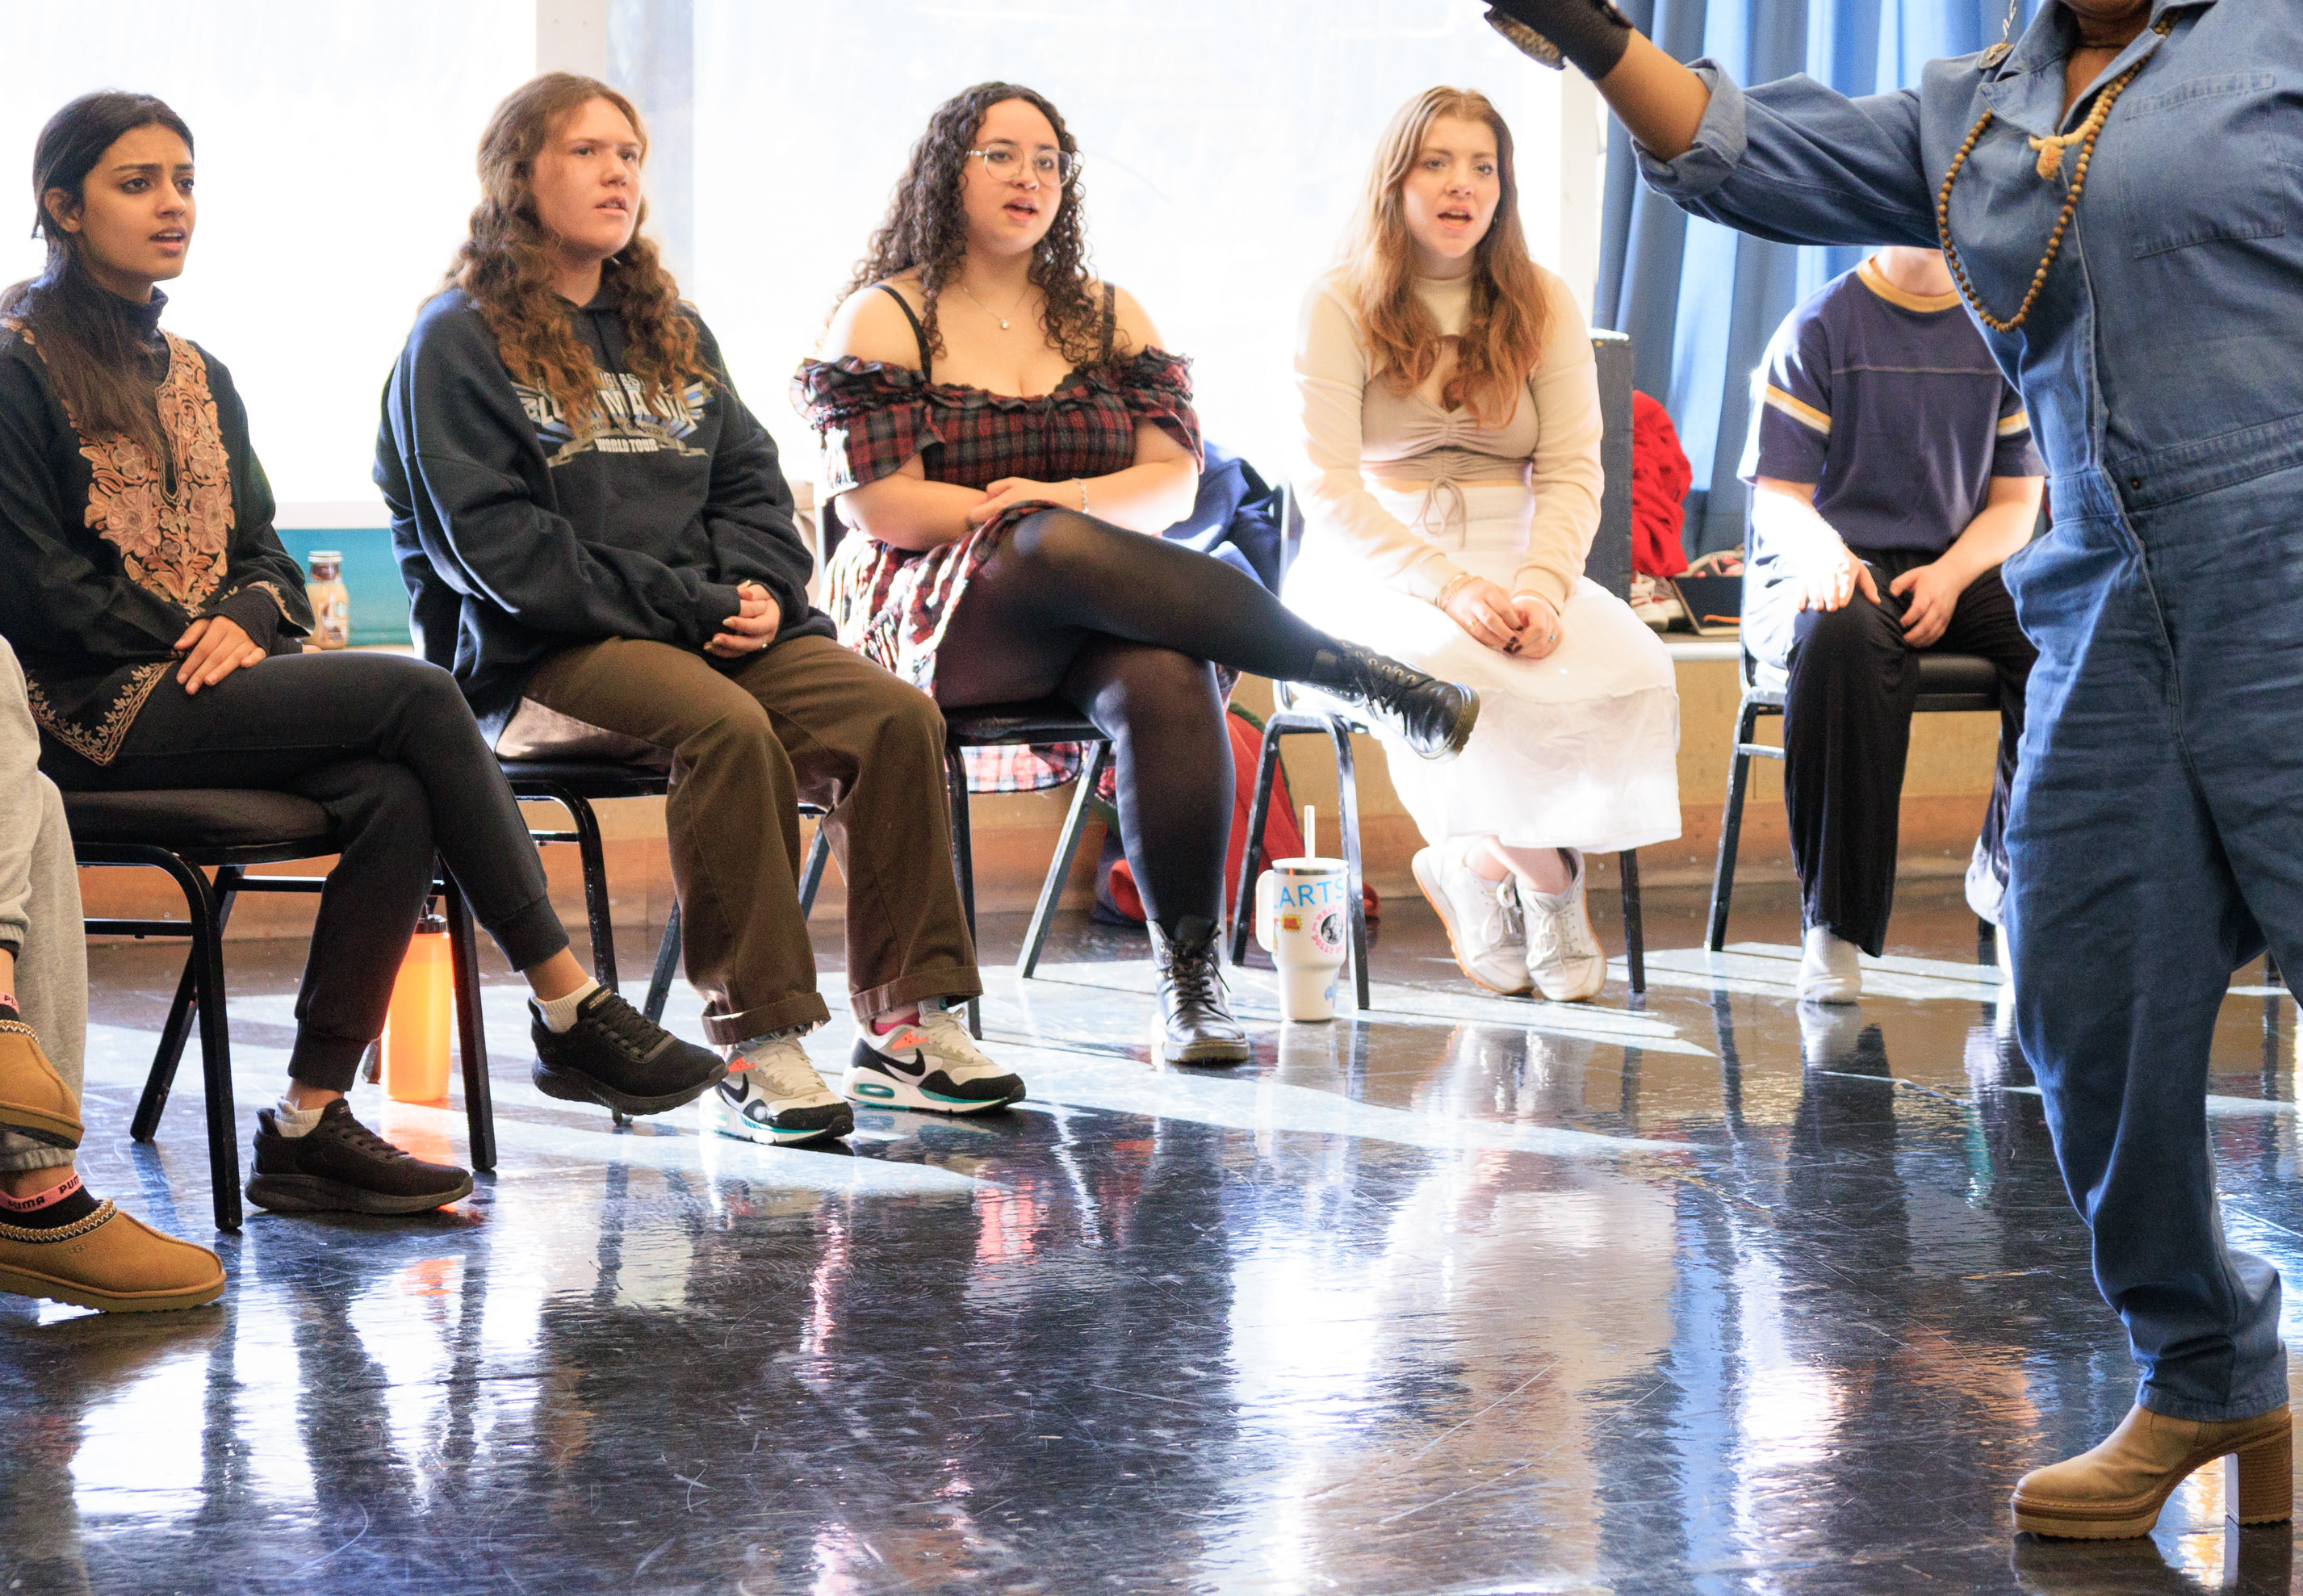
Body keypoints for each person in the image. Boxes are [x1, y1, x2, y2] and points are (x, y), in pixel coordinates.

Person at [1388, 0, 2303, 1596]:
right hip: (2112, 592)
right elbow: (1746, 147)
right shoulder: (1979, 110)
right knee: (2087, 1015)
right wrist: (1570, 11)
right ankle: (2207, 1372)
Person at [2, 92, 718, 1226]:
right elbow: (36, 589)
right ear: (61, 208)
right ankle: (569, 1002)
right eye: (136, 184)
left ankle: (307, 1125)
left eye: (184, 179)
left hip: (209, 691)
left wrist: (247, 613)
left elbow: (268, 558)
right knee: (419, 695)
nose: (173, 204)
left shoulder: (198, 373)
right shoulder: (16, 365)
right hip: (80, 714)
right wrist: (210, 639)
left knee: (394, 795)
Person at [803, 82, 1480, 1071]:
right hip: (929, 609)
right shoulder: (884, 313)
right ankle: (1357, 676)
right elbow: (881, 507)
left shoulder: (1110, 317)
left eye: (1048, 160)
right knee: (1041, 540)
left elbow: (1170, 486)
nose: (1029, 177)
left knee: (1163, 667)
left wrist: (1057, 501)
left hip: (1084, 596)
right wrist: (1027, 510)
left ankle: (1189, 984)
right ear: (948, 170)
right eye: (1001, 155)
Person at [377, 75, 987, 1142]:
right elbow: (505, 556)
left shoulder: (672, 330)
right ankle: (758, 1040)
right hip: (540, 657)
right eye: (588, 152)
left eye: (631, 154)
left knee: (896, 716)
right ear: (519, 175)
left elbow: (753, 487)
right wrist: (695, 605)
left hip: (704, 630)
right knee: (726, 726)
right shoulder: (457, 342)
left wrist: (755, 593)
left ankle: (905, 1024)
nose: (620, 173)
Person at [1283, 86, 1679, 1006]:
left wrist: (1544, 589)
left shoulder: (1541, 298)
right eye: (1437, 163)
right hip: (1374, 559)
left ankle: (1470, 858)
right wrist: (1448, 584)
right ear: (1396, 179)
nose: (1462, 186)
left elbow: (1577, 470)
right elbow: (1327, 486)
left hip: (1524, 548)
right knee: (1449, 673)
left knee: (1632, 661)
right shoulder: (1336, 301)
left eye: (1483, 167)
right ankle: (1545, 880)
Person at [1740, 244, 2042, 1003]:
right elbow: (1779, 498)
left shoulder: (2001, 326)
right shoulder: (1819, 327)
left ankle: (2011, 879)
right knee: (1840, 631)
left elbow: (2015, 504)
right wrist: (1826, 554)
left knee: (2064, 626)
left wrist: (1950, 575)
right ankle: (1832, 927)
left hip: (1956, 561)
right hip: (1823, 556)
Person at [0, 634, 222, 1307]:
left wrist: (251, 610)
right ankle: (35, 1194)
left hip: (199, 657)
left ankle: (34, 1190)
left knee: (32, 794)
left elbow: (268, 567)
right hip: (106, 675)